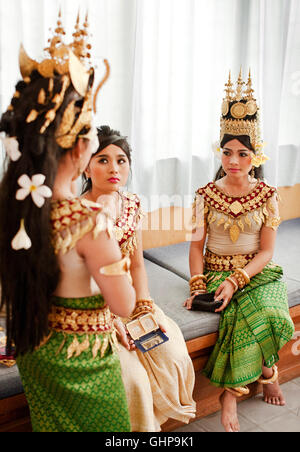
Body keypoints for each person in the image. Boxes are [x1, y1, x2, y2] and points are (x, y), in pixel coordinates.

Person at [0, 14, 136, 432]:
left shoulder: (13, 207)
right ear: (80, 148)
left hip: (35, 347)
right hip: (84, 358)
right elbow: (124, 305)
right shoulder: (90, 222)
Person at [184, 70, 295, 432]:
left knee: (266, 309)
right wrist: (198, 286)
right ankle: (239, 389)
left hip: (258, 272)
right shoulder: (204, 195)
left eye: (242, 153)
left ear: (255, 155)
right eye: (227, 152)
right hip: (215, 271)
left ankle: (258, 376)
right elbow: (196, 247)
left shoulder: (268, 195)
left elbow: (266, 252)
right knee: (237, 314)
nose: (233, 161)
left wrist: (238, 279)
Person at [81, 125, 196, 432]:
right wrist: (109, 319)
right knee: (133, 381)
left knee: (172, 356)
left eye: (121, 160)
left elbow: (137, 265)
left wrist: (144, 306)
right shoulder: (77, 214)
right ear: (86, 167)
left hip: (131, 300)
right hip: (91, 310)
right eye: (102, 160)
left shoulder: (131, 204)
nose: (114, 168)